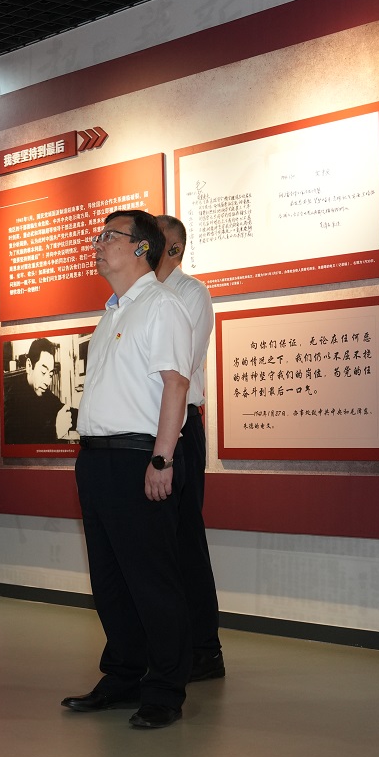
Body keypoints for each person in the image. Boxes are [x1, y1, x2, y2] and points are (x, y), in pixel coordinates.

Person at [60, 210, 194, 730]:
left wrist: (162, 458)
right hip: (97, 458)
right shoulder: (113, 313)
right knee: (110, 579)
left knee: (152, 579)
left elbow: (176, 385)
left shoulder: (161, 306)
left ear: (142, 247)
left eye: (109, 236)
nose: (98, 244)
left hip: (140, 457)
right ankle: (122, 676)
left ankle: (164, 689)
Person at [154, 213, 224, 681]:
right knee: (152, 543)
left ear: (175, 249)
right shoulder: (133, 297)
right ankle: (164, 647)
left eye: (151, 241)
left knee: (185, 537)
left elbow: (179, 367)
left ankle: (204, 649)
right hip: (144, 430)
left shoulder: (190, 294)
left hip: (179, 428)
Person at [2, 337, 67, 444]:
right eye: (43, 372)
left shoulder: (43, 392)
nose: (47, 382)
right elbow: (18, 441)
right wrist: (54, 432)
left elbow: (61, 409)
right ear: (29, 366)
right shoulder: (12, 398)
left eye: (50, 375)